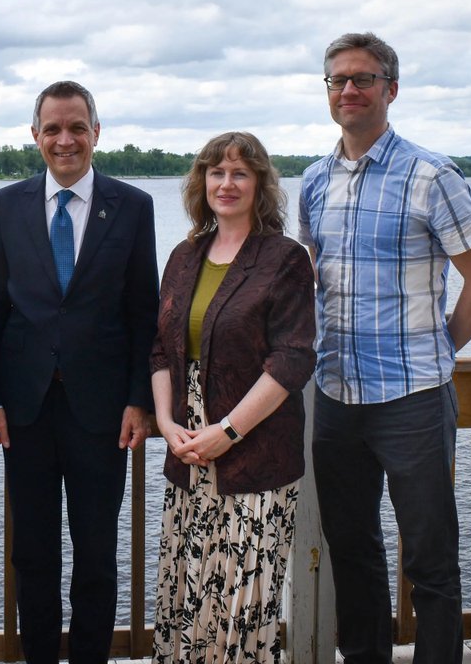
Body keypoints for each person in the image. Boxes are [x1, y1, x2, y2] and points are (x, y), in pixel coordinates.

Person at [299, 32, 471, 663]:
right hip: (336, 397)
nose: (348, 90)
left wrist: (439, 348)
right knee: (352, 549)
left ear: (391, 89)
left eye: (362, 79)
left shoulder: (431, 176)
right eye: (337, 80)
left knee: (430, 557)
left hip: (413, 398)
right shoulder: (313, 181)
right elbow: (310, 279)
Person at [0, 80, 159, 664]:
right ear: (35, 136)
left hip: (102, 413)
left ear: (96, 133)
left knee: (97, 554)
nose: (65, 140)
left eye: (77, 127)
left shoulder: (132, 206)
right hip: (25, 411)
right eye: (52, 128)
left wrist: (139, 400)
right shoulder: (6, 204)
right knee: (32, 554)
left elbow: (144, 312)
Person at [150, 132, 316, 664]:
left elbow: (292, 359)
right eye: (216, 172)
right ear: (201, 181)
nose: (226, 183)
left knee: (242, 604)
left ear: (260, 184)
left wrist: (227, 432)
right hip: (189, 454)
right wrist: (165, 423)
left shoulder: (284, 258)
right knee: (187, 593)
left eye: (240, 173)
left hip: (255, 457)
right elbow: (160, 349)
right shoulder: (184, 256)